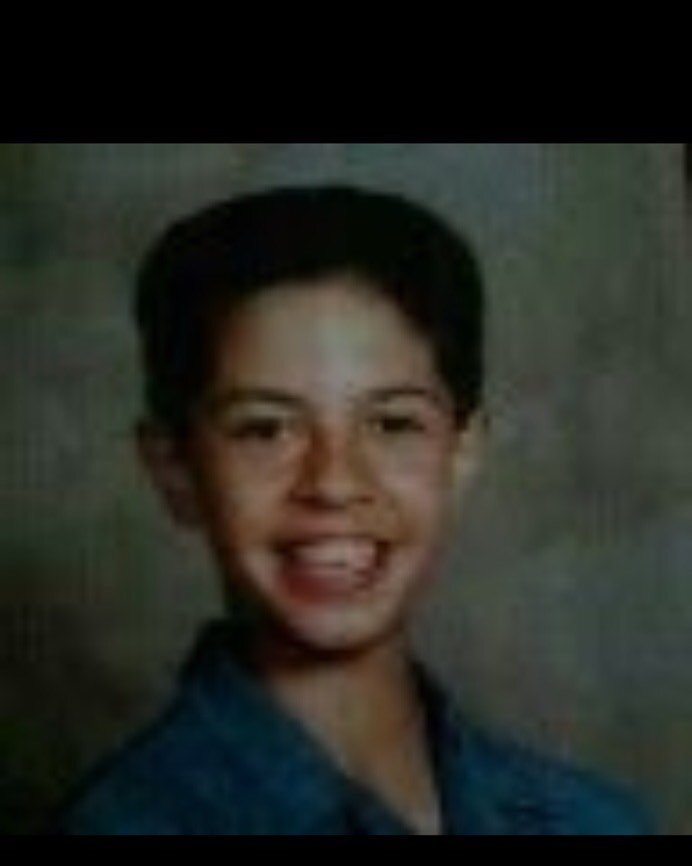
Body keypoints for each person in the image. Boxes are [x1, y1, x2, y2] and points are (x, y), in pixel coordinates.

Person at [58, 185, 652, 835]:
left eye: (394, 423)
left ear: (461, 453)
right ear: (175, 469)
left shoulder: (592, 819)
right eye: (265, 429)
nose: (335, 483)